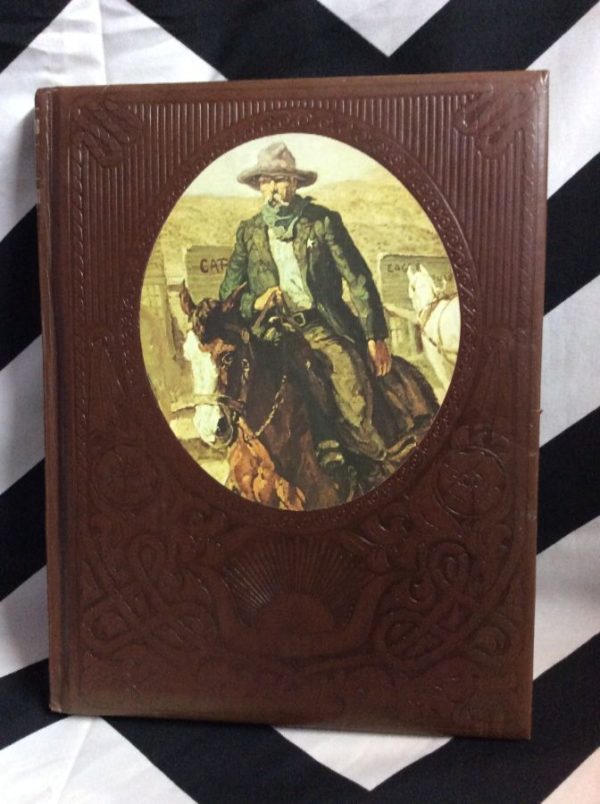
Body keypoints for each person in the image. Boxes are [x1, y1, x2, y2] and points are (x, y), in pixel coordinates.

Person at [218, 141, 407, 487]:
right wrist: (256, 303)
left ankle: (370, 463)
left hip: (318, 327)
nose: (273, 189)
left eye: (280, 179)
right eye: (266, 181)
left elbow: (358, 278)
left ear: (295, 183)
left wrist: (374, 335)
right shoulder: (249, 232)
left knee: (348, 384)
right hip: (269, 334)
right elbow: (227, 296)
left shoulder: (322, 222)